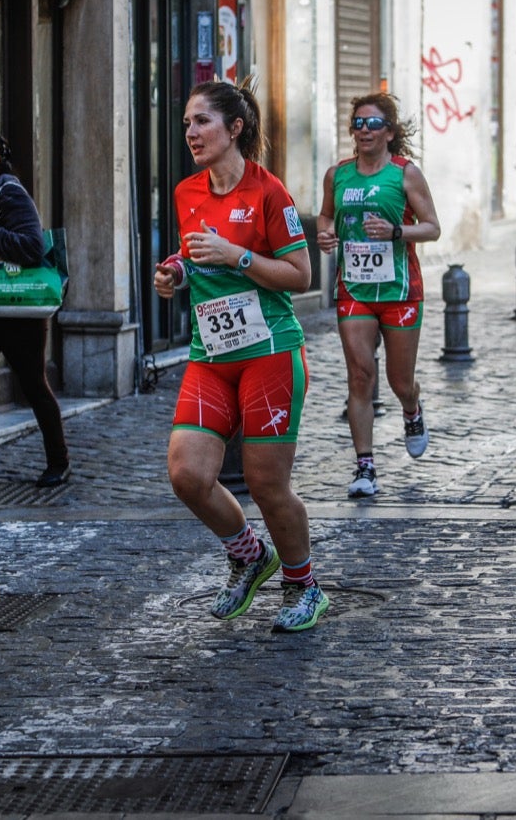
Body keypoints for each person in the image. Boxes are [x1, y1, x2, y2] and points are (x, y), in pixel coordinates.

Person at [153, 79, 327, 632]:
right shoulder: (186, 193)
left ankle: (304, 586)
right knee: (187, 473)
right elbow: (193, 254)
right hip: (211, 351)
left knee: (267, 482)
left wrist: (237, 255)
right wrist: (176, 271)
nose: (190, 133)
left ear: (235, 128)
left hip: (269, 351)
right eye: (186, 123)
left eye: (201, 121)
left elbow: (300, 275)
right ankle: (250, 556)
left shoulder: (268, 192)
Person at [315, 93, 440, 498]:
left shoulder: (406, 174)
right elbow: (327, 215)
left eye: (373, 124)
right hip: (354, 290)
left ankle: (412, 408)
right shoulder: (338, 175)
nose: (364, 131)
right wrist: (326, 233)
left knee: (399, 379)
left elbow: (433, 227)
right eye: (358, 124)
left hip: (400, 291)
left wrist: (396, 232)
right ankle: (365, 466)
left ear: (389, 132)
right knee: (360, 375)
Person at [0, 122, 71, 487]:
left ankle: (59, 461)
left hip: (18, 312)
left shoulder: (9, 190)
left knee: (34, 385)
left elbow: (34, 248)